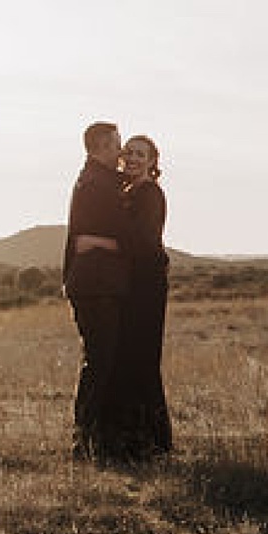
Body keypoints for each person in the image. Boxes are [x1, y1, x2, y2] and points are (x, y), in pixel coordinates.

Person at [104, 134, 173, 458]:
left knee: (142, 360)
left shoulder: (149, 194)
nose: (132, 158)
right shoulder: (128, 191)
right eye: (128, 152)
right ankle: (134, 440)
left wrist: (102, 245)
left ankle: (155, 443)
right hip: (132, 285)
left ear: (152, 161)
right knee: (129, 359)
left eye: (140, 154)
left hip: (147, 285)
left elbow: (142, 243)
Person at [62, 121, 127, 462]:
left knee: (100, 360)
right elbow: (117, 234)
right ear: (101, 147)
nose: (121, 151)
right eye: (117, 144)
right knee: (100, 362)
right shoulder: (96, 185)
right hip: (96, 284)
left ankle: (94, 437)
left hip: (92, 282)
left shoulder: (95, 180)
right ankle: (85, 440)